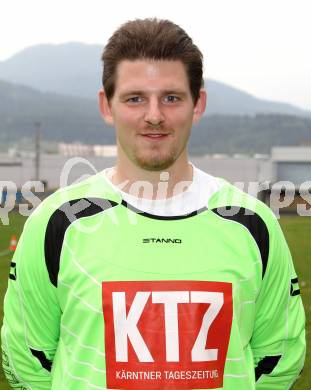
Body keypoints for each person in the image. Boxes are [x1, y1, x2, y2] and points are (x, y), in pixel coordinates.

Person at [1, 18, 305, 390]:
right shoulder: (57, 222)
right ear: (107, 106)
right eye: (135, 98)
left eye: (172, 97)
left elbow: (279, 359)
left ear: (198, 104)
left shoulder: (252, 224)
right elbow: (26, 360)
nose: (154, 115)